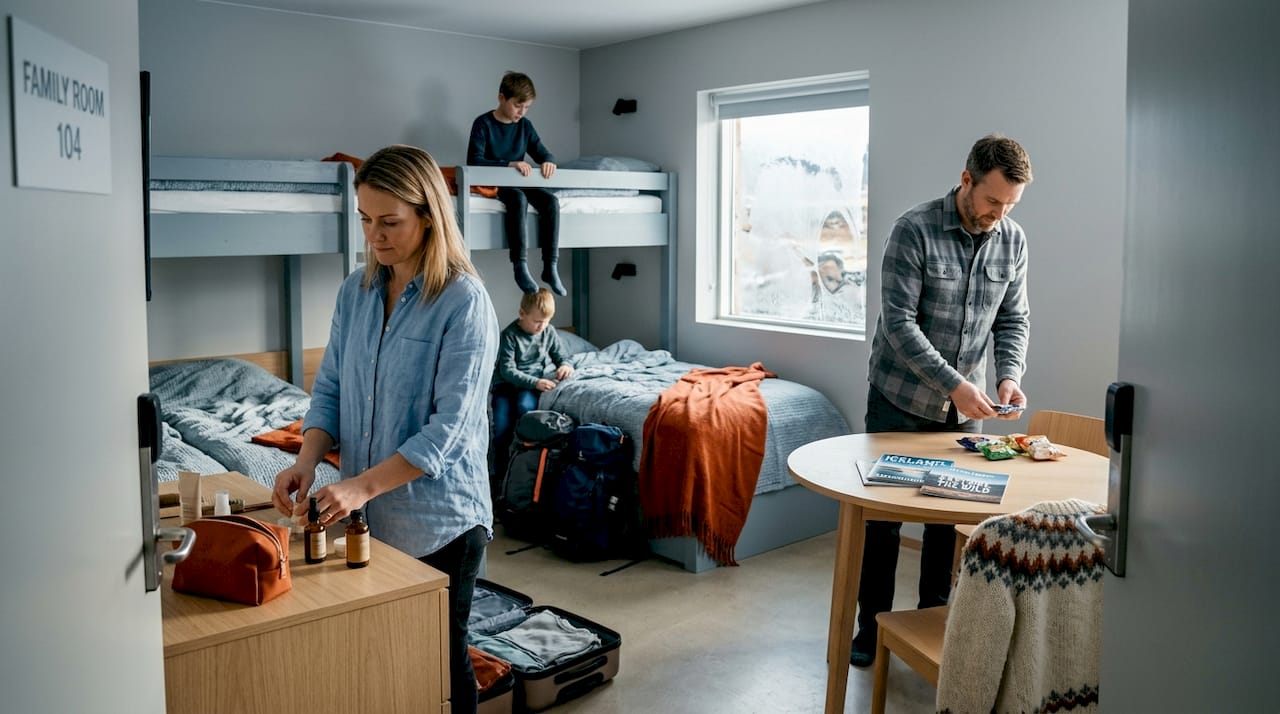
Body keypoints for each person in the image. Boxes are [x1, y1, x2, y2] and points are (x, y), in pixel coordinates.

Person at [271, 144, 499, 714]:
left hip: (440, 522)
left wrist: (357, 487)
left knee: (441, 665)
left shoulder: (463, 302)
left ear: (428, 215)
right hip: (370, 516)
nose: (375, 235)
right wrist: (306, 461)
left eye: (390, 222)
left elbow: (448, 431)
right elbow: (329, 392)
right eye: (366, 220)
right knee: (383, 659)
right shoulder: (357, 291)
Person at [850, 134, 1033, 668]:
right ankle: (870, 630)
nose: (999, 214)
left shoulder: (1012, 240)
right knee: (883, 523)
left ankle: (931, 624)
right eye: (992, 201)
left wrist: (1008, 376)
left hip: (965, 407)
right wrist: (955, 383)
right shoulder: (913, 230)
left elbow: (1012, 318)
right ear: (966, 181)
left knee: (945, 522)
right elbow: (900, 327)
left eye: (1011, 205)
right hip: (898, 399)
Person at [468, 71, 564, 296]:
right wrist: (508, 164)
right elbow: (474, 161)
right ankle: (519, 265)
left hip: (520, 181)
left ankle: (550, 266)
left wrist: (549, 162)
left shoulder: (525, 126)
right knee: (517, 199)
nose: (522, 112)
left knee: (550, 201)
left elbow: (542, 152)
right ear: (501, 98)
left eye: (527, 107)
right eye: (518, 105)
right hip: (495, 184)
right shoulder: (483, 124)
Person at [490, 288, 575, 485]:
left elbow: (561, 355)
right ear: (522, 313)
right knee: (501, 426)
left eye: (546, 322)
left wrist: (565, 365)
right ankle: (500, 475)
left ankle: (524, 467)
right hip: (506, 384)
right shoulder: (510, 335)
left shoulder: (548, 331)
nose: (541, 327)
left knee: (525, 411)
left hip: (529, 384)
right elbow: (507, 370)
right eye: (537, 322)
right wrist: (535, 382)